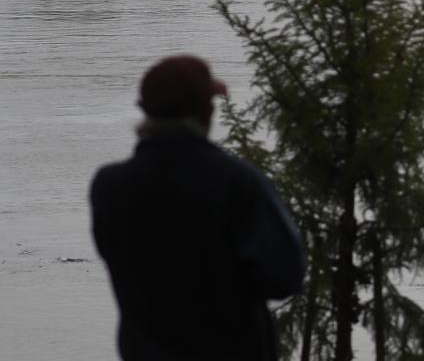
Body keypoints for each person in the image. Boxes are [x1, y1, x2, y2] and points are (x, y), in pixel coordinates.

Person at [90, 55, 305, 361]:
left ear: (145, 109)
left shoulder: (108, 186)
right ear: (206, 112)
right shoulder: (237, 181)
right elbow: (286, 276)